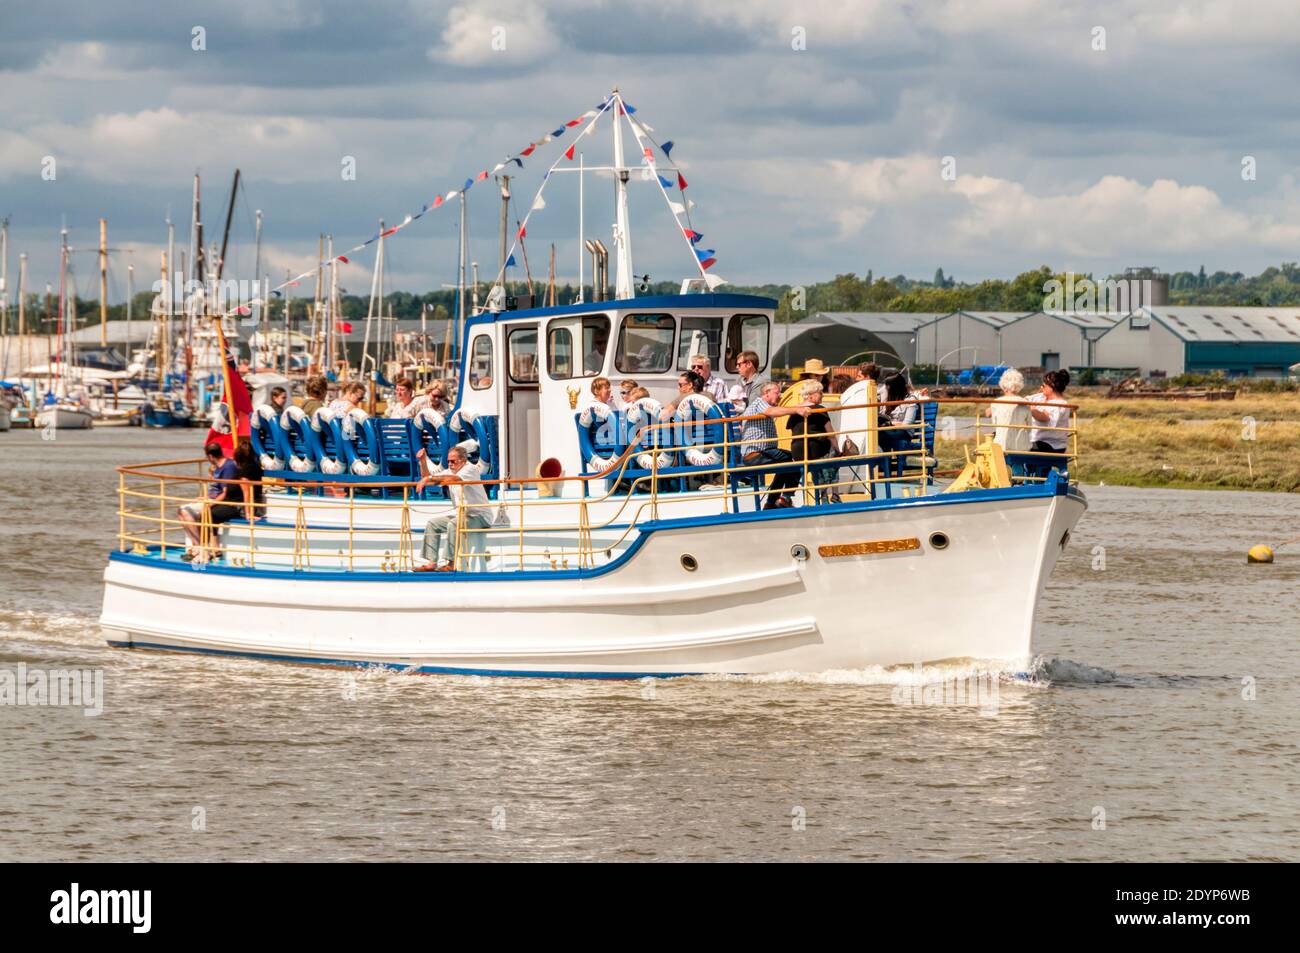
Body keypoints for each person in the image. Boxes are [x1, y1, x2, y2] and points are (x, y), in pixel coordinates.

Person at [412, 445, 493, 572]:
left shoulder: (470, 469)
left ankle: (451, 563)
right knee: (433, 523)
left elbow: (455, 479)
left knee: (453, 524)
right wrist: (422, 462)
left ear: (463, 460)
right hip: (463, 515)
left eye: (453, 461)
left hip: (480, 516)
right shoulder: (451, 471)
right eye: (448, 461)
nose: (449, 464)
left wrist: (429, 478)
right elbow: (428, 478)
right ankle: (432, 562)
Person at [740, 380, 811, 510]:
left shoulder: (762, 405)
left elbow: (776, 410)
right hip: (756, 454)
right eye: (777, 393)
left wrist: (801, 406)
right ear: (766, 393)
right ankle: (782, 499)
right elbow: (772, 411)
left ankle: (774, 502)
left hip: (764, 452)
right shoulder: (759, 403)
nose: (780, 396)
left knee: (788, 462)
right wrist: (797, 410)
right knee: (793, 459)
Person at [178, 441, 240, 561]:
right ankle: (197, 545)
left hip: (220, 501)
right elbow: (215, 489)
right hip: (211, 499)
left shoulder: (228, 467)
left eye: (207, 456)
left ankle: (199, 548)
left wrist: (210, 503)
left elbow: (225, 493)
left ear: (211, 456)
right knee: (181, 510)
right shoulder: (217, 467)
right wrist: (204, 498)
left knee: (186, 512)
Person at [787, 379, 839, 498]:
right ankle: (834, 494)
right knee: (834, 452)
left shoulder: (794, 410)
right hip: (816, 450)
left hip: (798, 453)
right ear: (810, 395)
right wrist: (838, 450)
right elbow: (831, 434)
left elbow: (792, 429)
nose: (822, 395)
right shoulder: (819, 409)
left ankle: (823, 493)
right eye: (820, 392)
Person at [1028, 369, 1072, 455]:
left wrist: (1030, 409)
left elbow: (1045, 418)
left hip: (1051, 445)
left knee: (1018, 446)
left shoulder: (1060, 404)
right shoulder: (1041, 397)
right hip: (1037, 441)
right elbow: (1025, 400)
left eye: (1043, 386)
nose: (1041, 388)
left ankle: (1017, 468)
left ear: (1052, 386)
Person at [985, 368, 1031, 451]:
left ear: (1003, 385)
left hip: (1001, 445)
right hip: (1022, 446)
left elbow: (995, 424)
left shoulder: (996, 403)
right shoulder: (1026, 402)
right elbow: (1029, 427)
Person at [878, 373, 918, 453]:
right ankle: (885, 463)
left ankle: (884, 464)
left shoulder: (911, 401)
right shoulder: (889, 398)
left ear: (896, 388)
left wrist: (889, 423)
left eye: (888, 388)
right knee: (876, 435)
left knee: (881, 436)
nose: (886, 390)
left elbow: (907, 424)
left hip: (903, 432)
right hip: (888, 429)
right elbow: (878, 391)